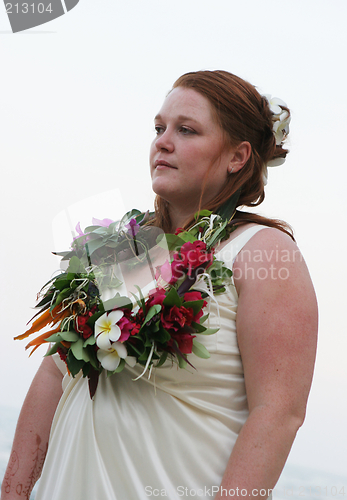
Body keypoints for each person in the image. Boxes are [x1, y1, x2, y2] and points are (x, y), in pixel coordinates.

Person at [1, 70, 318, 500]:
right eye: (159, 128)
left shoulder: (264, 252)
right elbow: (54, 377)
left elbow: (278, 414)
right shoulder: (127, 248)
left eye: (185, 130)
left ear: (238, 156)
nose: (162, 141)